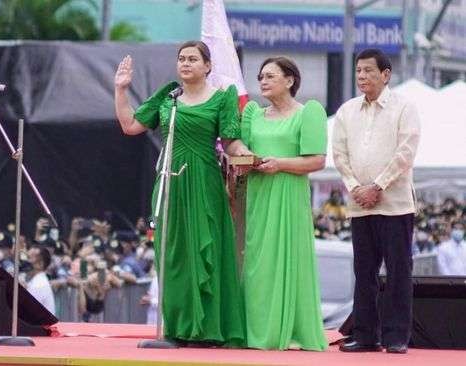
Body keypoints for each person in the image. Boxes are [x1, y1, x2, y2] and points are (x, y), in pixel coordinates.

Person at [114, 40, 249, 346]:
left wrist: (246, 152)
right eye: (181, 59)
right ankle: (176, 329)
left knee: (207, 252)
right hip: (169, 181)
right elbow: (130, 125)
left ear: (208, 66)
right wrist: (121, 89)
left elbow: (231, 141)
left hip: (203, 180)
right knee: (172, 255)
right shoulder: (169, 97)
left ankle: (207, 330)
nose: (185, 64)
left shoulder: (221, 98)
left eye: (192, 59)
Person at [333, 49, 420, 354]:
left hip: (395, 204)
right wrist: (356, 187)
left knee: (398, 271)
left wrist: (378, 186)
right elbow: (339, 156)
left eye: (369, 71)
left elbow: (405, 153)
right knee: (364, 272)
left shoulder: (404, 108)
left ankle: (396, 336)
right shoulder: (346, 111)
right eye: (358, 71)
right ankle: (366, 334)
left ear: (386, 74)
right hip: (360, 205)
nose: (362, 76)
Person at [239, 56, 328, 351]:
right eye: (261, 76)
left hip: (289, 193)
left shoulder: (308, 113)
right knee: (257, 262)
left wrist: (280, 164)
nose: (262, 81)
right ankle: (256, 331)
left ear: (289, 81)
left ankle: (291, 330)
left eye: (270, 76)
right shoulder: (253, 114)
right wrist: (244, 160)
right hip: (258, 194)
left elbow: (317, 160)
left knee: (289, 258)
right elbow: (242, 151)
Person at [25, 246, 56, 316]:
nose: (27, 262)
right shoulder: (37, 280)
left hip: (40, 325)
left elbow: (28, 310)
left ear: (40, 264)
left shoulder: (39, 284)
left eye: (31, 257)